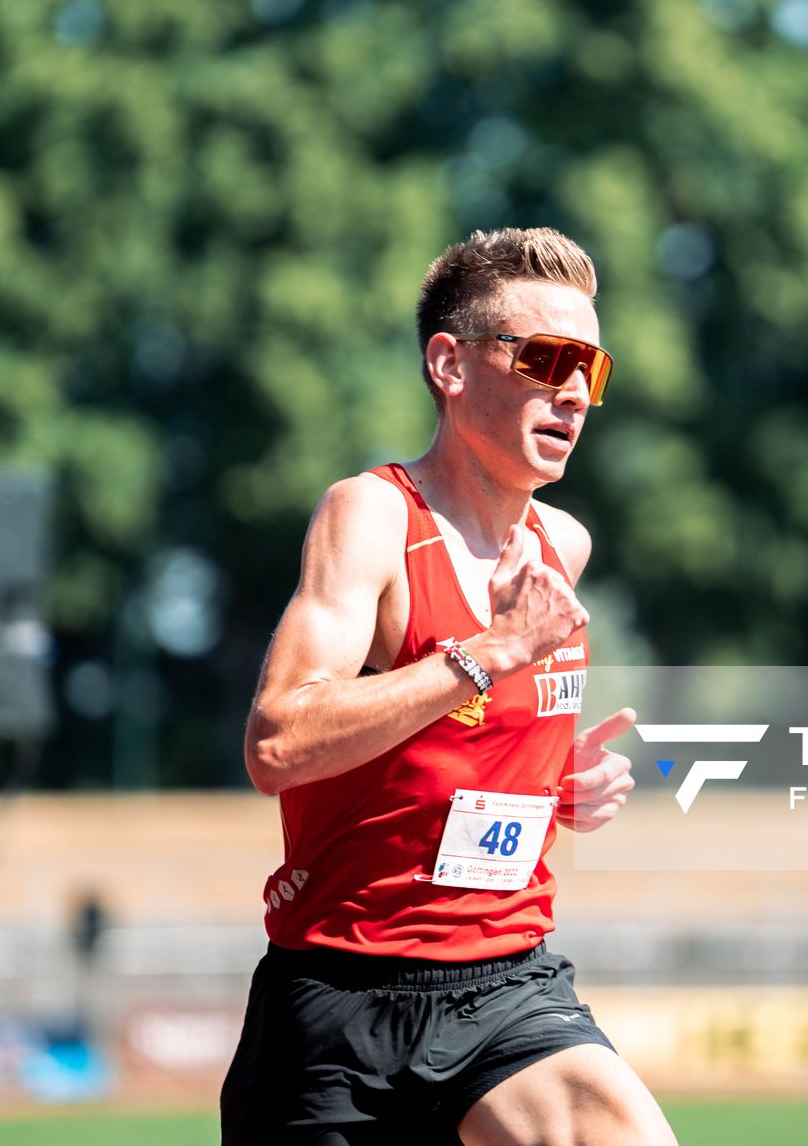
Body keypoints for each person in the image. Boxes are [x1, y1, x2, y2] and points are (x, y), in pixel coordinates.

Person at [224, 229, 672, 1145]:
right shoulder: (374, 517)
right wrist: (486, 652)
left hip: (509, 982)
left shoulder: (564, 546)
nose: (576, 391)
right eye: (547, 357)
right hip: (339, 1003)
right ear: (450, 365)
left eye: (593, 366)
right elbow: (277, 743)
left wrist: (555, 784)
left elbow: (457, 752)